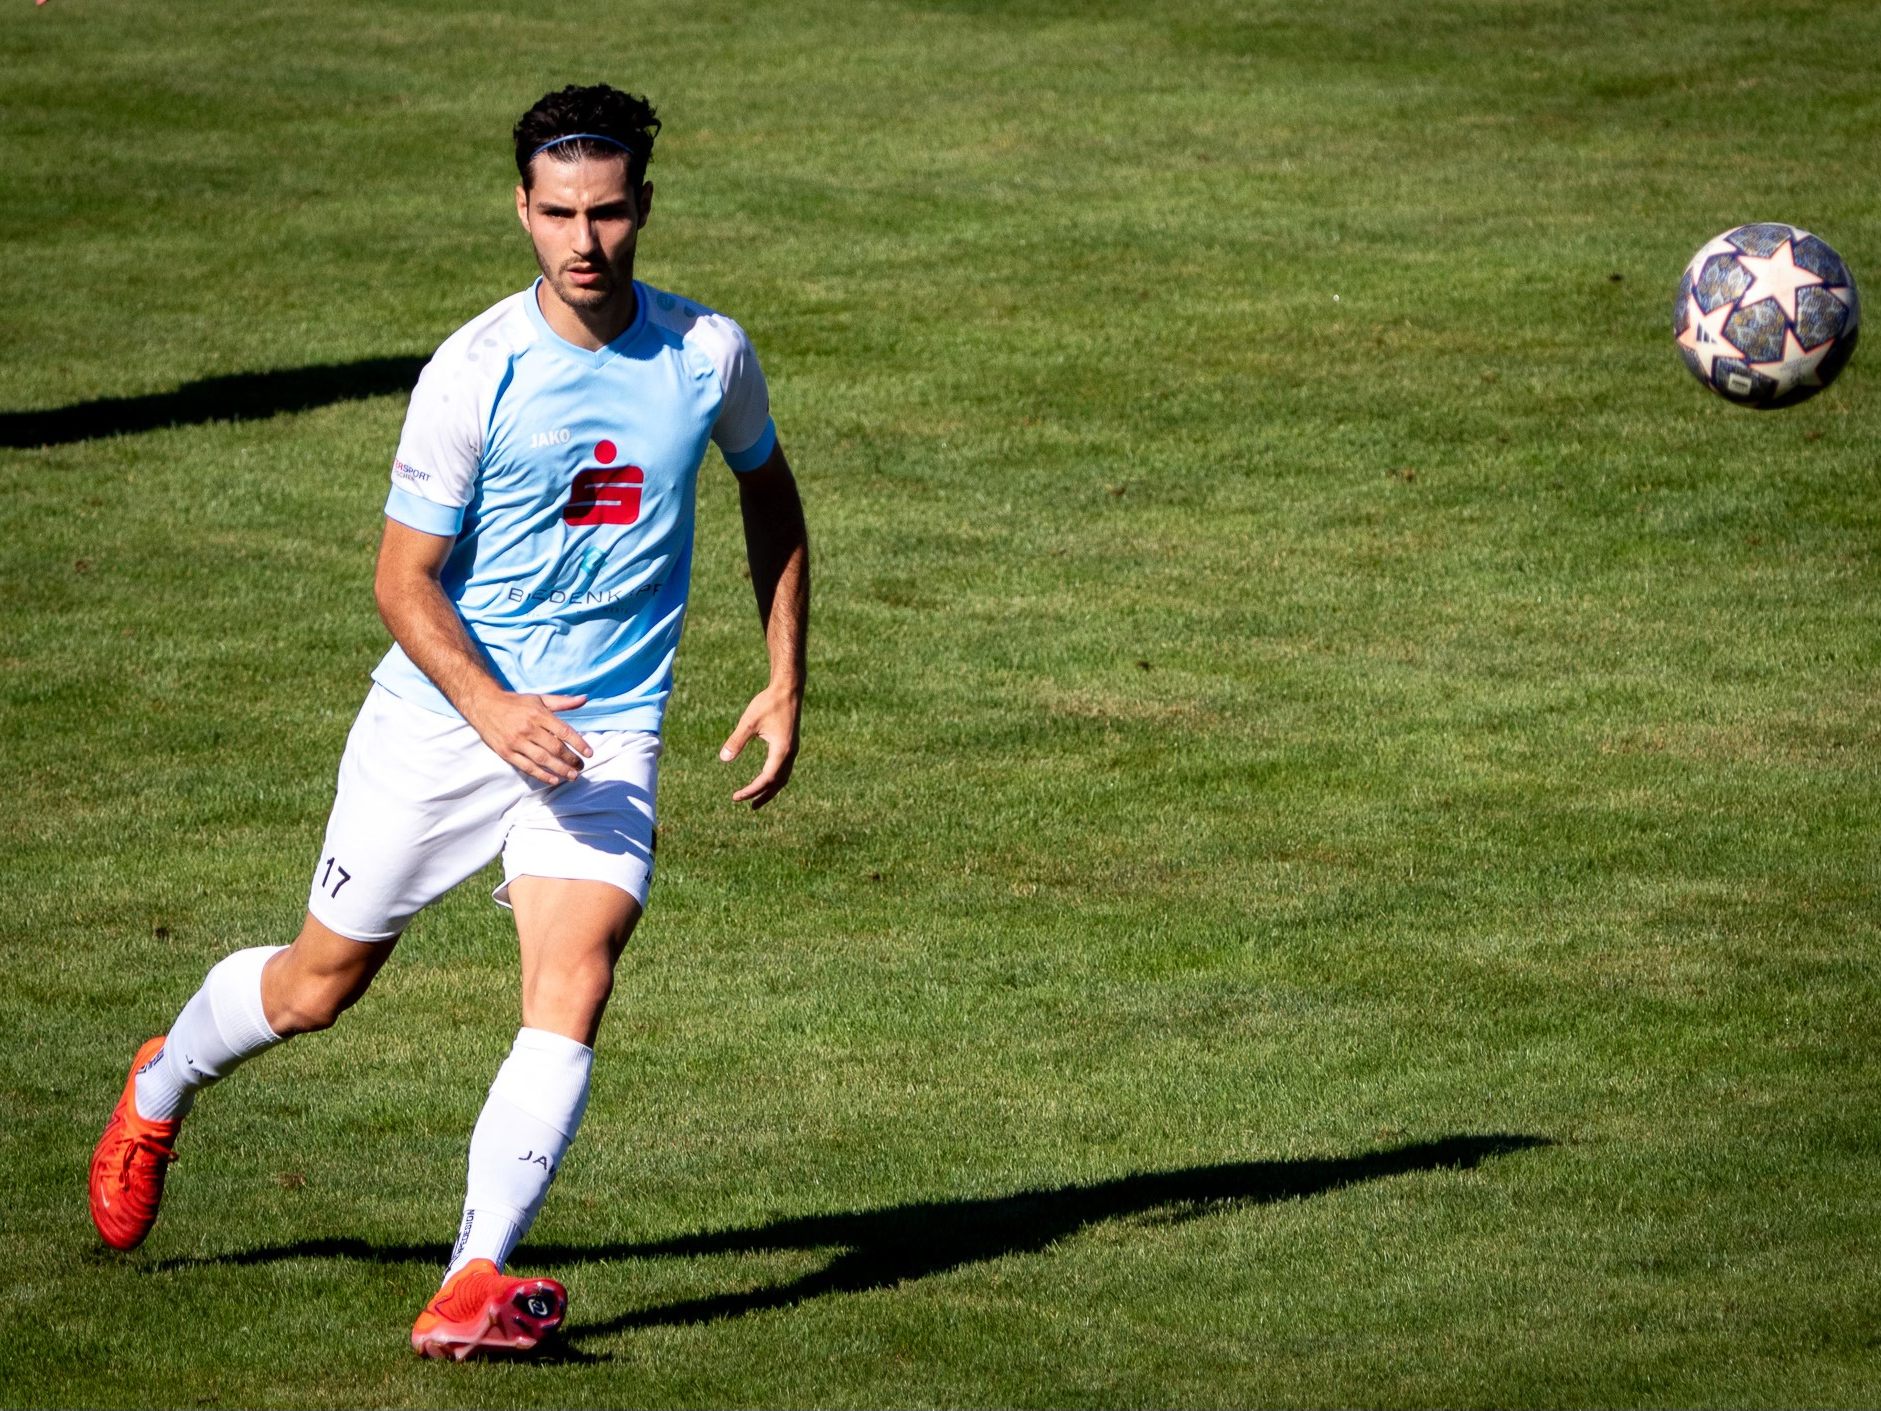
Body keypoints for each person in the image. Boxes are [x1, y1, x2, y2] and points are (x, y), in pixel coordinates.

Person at [87, 83, 810, 1361]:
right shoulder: (475, 372)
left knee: (572, 975)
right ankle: (160, 1084)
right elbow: (400, 578)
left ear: (644, 204)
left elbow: (769, 488)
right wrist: (491, 710)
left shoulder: (709, 355)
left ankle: (473, 1276)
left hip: (606, 733)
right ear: (521, 210)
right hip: (441, 719)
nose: (584, 241)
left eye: (607, 212)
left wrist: (782, 673)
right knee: (316, 987)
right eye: (557, 214)